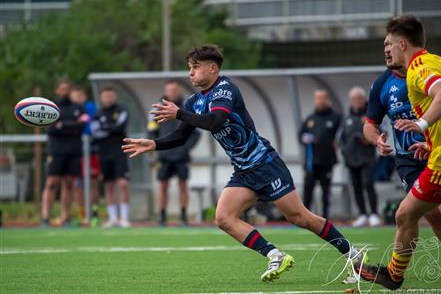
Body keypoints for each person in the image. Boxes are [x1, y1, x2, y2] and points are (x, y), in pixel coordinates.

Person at [122, 44, 365, 282]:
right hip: (244, 171)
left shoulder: (225, 89)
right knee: (224, 218)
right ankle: (275, 255)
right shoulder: (193, 102)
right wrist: (154, 144)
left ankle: (354, 256)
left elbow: (216, 121)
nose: (190, 73)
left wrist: (179, 114)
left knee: (300, 218)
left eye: (195, 67)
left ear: (213, 68)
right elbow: (180, 136)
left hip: (265, 164)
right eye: (189, 67)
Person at [356, 15, 441, 290]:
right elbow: (369, 124)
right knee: (426, 214)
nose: (386, 49)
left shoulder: (419, 67)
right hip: (422, 157)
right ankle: (393, 275)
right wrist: (429, 141)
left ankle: (393, 275)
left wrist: (421, 124)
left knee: (407, 215)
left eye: (388, 43)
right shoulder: (438, 63)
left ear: (401, 43)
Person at [148, 80, 200, 226]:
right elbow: (152, 130)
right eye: (169, 90)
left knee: (183, 185)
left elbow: (196, 133)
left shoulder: (187, 108)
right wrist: (155, 146)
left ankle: (183, 217)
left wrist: (186, 147)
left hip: (181, 155)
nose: (172, 93)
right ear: (165, 92)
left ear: (179, 91)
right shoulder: (157, 108)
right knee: (163, 186)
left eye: (174, 90)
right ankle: (162, 218)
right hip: (164, 155)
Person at [41, 79, 87, 227]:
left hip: (74, 150)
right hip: (56, 150)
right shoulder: (50, 108)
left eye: (68, 89)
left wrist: (62, 125)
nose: (65, 91)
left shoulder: (78, 107)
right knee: (52, 182)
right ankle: (45, 217)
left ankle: (66, 217)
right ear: (57, 90)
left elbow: (81, 126)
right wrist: (71, 126)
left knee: (68, 183)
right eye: (62, 89)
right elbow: (52, 128)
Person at [340, 87, 380, 227]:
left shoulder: (371, 115)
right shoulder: (347, 118)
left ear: (364, 100)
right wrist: (344, 150)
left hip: (367, 157)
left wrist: (367, 139)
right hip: (351, 159)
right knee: (356, 187)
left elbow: (379, 132)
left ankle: (374, 213)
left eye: (359, 98)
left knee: (368, 184)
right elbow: (342, 138)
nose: (356, 102)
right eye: (353, 99)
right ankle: (362, 214)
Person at [92, 87, 131, 228]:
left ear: (114, 97)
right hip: (104, 152)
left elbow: (120, 127)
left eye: (110, 96)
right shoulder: (97, 113)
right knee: (108, 185)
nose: (108, 99)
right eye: (105, 96)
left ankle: (124, 218)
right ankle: (113, 219)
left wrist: (105, 127)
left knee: (123, 184)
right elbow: (95, 132)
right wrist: (110, 128)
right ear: (101, 98)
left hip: (120, 151)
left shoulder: (122, 109)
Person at [298, 90, 341, 218]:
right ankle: (305, 215)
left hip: (327, 161)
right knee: (308, 188)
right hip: (311, 162)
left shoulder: (335, 117)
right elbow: (300, 134)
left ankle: (325, 216)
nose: (320, 101)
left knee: (326, 190)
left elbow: (340, 136)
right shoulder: (310, 118)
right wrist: (304, 138)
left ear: (327, 100)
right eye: (317, 98)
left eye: (322, 98)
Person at [69, 86, 101, 226]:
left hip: (91, 150)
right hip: (76, 152)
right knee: (77, 184)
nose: (77, 100)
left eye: (79, 97)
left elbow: (91, 126)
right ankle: (82, 216)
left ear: (84, 97)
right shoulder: (68, 110)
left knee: (93, 182)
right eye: (74, 97)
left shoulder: (90, 108)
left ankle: (94, 214)